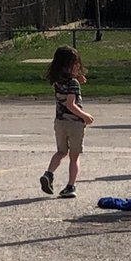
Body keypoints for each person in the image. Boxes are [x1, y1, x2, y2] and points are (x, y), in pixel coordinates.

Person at [39, 46, 93, 199]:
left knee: (61, 152)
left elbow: (69, 86)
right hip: (74, 123)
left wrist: (78, 78)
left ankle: (48, 174)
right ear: (67, 66)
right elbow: (71, 104)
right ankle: (71, 186)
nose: (77, 67)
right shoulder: (73, 83)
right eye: (75, 65)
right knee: (74, 156)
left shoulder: (57, 81)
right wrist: (85, 116)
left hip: (60, 123)